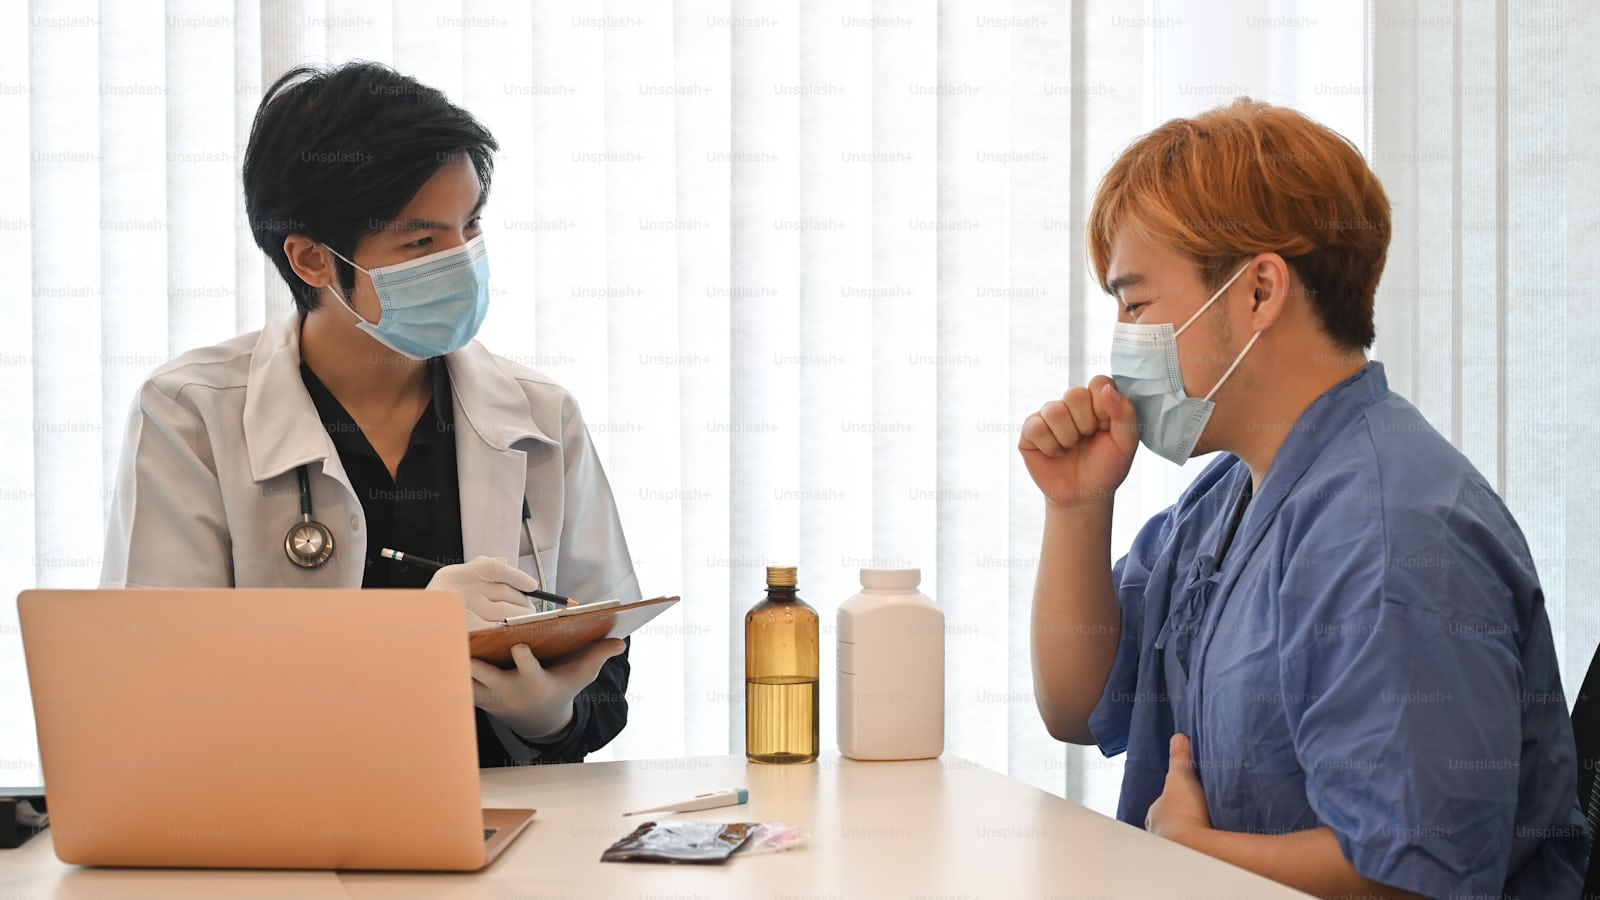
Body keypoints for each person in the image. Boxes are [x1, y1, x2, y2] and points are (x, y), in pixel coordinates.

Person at [1020, 98, 1587, 897]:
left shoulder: (1393, 534)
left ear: (1258, 292)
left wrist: (1188, 851)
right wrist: (1076, 508)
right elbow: (1079, 707)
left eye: (1137, 303)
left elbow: (1413, 875)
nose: (1121, 338)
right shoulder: (1225, 499)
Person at [100, 61, 639, 768]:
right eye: (421, 242)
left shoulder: (540, 416)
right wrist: (408, 634)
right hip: (276, 829)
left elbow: (606, 665)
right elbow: (158, 682)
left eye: (469, 225)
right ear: (312, 260)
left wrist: (548, 717)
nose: (462, 260)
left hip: (496, 825)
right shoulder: (191, 413)